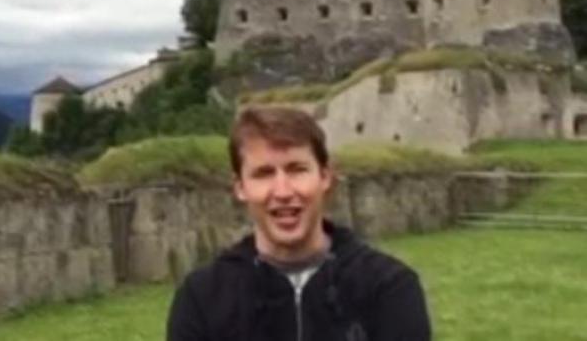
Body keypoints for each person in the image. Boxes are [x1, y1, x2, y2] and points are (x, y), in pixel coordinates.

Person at [167, 106, 431, 341]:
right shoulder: (202, 298)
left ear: (325, 177)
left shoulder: (388, 287)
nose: (282, 191)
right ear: (240, 188)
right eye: (263, 173)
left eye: (297, 169)